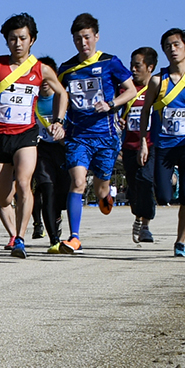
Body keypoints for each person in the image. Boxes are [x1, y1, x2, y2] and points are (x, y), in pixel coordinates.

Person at [0, 14, 68, 258]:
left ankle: (21, 238)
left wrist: (58, 121)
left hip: (25, 134)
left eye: (22, 38)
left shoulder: (41, 69)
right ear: (6, 41)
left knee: (25, 183)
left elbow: (62, 93)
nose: (17, 43)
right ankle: (14, 232)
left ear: (32, 40)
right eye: (12, 39)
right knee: (4, 197)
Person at [56, 13, 139, 254]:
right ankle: (74, 237)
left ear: (96, 37)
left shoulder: (110, 62)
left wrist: (111, 104)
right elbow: (63, 97)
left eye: (87, 37)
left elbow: (131, 90)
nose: (83, 43)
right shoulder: (67, 69)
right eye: (78, 38)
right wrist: (59, 121)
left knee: (101, 187)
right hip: (78, 135)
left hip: (106, 135)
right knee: (78, 182)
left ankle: (105, 194)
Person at [138, 28, 185, 257]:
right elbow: (145, 111)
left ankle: (180, 241)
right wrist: (144, 143)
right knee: (165, 197)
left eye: (176, 45)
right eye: (168, 46)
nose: (172, 49)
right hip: (164, 146)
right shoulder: (158, 80)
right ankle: (173, 178)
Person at [30, 56, 71, 253]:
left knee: (62, 194)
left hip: (63, 150)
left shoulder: (63, 99)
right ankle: (54, 239)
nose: (44, 83)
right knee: (47, 191)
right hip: (41, 150)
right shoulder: (32, 99)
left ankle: (57, 218)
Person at [121, 47, 159, 244]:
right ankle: (137, 214)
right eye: (131, 65)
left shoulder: (158, 87)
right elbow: (115, 112)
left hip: (151, 145)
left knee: (146, 181)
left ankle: (145, 226)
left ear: (150, 67)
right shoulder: (125, 89)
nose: (133, 70)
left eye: (137, 66)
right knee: (134, 187)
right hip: (129, 146)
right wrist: (118, 120)